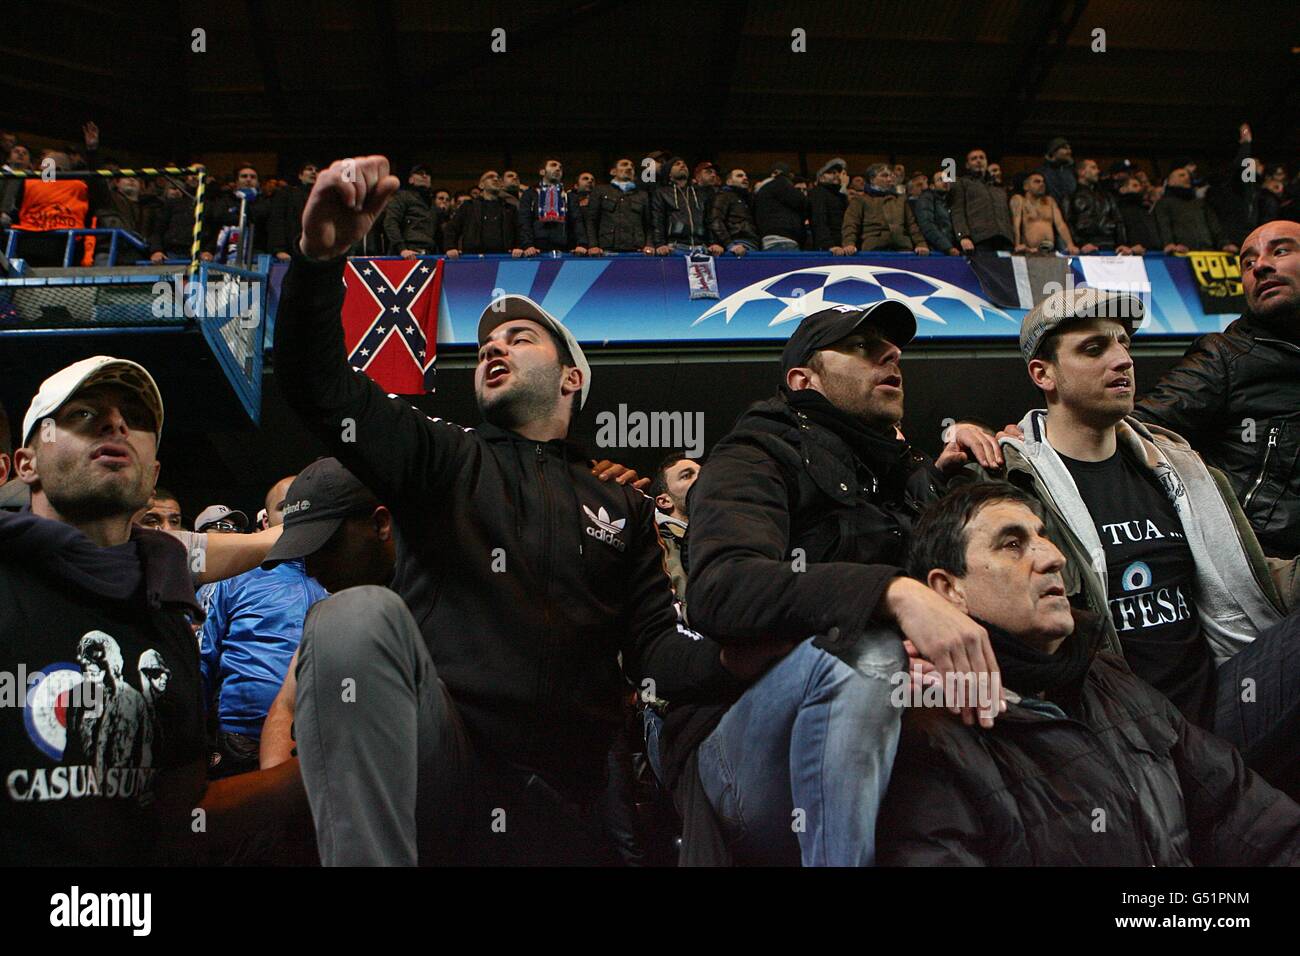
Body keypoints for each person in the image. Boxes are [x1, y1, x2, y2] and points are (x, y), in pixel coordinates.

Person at [274, 155, 742, 865]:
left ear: (571, 377)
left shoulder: (623, 504)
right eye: (488, 344)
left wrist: (755, 650)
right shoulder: (441, 458)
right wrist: (317, 262)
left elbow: (659, 656)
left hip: (574, 794)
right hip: (446, 766)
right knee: (351, 616)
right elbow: (320, 388)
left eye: (520, 338)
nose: (495, 346)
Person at [657, 301, 1005, 865]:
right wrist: (893, 593)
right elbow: (722, 589)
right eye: (863, 348)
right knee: (865, 651)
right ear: (804, 380)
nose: (891, 356)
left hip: (894, 721)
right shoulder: (751, 456)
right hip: (741, 748)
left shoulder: (902, 472)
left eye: (891, 351)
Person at [877, 481, 1300, 865]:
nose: (1054, 557)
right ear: (950, 590)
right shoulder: (931, 738)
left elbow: (1249, 818)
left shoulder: (1106, 676)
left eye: (1043, 537)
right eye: (1012, 544)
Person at [993, 286, 1300, 797]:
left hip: (1220, 706)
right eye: (1094, 349)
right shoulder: (1012, 487)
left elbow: (1248, 575)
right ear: (1043, 375)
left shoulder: (1178, 465)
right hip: (1116, 731)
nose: (1122, 360)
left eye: (1123, 344)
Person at [0, 356, 301, 864]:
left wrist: (313, 775)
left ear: (152, 472)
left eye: (135, 419)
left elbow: (179, 816)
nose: (116, 422)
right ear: (27, 462)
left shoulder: (167, 614)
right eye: (82, 414)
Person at [1135, 220, 1300, 557]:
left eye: (1280, 250)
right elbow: (1132, 430)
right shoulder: (1224, 356)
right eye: (1248, 262)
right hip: (1264, 573)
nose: (1261, 266)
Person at [199, 476, 327, 780]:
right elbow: (201, 657)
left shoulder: (342, 573)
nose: (298, 513)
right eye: (287, 506)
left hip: (322, 738)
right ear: (266, 519)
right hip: (242, 742)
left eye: (308, 506)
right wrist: (194, 740)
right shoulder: (234, 574)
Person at [650, 451, 701, 609]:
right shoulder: (656, 545)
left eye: (704, 473)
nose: (702, 479)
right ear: (665, 501)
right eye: (687, 476)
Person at [841, 164, 929, 255]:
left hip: (902, 247)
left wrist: (921, 243)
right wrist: (849, 243)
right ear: (872, 179)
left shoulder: (901, 200)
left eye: (890, 176)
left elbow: (912, 225)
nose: (889, 179)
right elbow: (851, 224)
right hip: (873, 249)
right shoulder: (860, 200)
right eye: (884, 176)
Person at [517, 158, 588, 255]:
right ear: (542, 172)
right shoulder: (531, 194)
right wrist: (527, 245)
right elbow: (524, 220)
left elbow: (577, 221)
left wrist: (582, 244)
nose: (558, 169)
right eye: (553, 165)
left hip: (564, 247)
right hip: (536, 249)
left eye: (560, 168)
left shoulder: (569, 196)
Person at [1154, 167, 1232, 254]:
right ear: (1170, 181)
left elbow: (1214, 225)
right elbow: (1163, 225)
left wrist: (1224, 243)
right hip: (1181, 253)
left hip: (1208, 252)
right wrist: (1169, 244)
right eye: (1181, 175)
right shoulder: (1164, 203)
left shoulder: (1200, 203)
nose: (1187, 177)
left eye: (1188, 175)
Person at [949, 148, 1013, 254]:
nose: (979, 160)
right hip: (979, 239)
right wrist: (963, 236)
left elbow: (1009, 214)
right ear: (967, 165)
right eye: (974, 159)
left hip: (1004, 239)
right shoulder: (962, 183)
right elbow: (957, 211)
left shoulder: (998, 187)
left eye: (982, 158)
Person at [586, 158, 653, 256]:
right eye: (624, 164)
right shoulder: (600, 191)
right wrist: (593, 245)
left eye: (632, 166)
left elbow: (649, 223)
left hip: (637, 249)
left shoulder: (642, 195)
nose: (629, 167)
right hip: (607, 248)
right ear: (613, 171)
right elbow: (591, 220)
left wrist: (649, 244)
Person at [651, 157, 717, 255]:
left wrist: (714, 243)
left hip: (701, 247)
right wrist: (659, 244)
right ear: (669, 172)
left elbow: (709, 219)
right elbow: (657, 219)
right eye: (677, 164)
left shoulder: (700, 192)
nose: (682, 165)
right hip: (675, 247)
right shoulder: (662, 192)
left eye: (684, 164)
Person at [1067, 158, 1130, 253]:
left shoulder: (1107, 196)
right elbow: (1069, 224)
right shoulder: (1070, 197)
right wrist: (1081, 244)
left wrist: (1122, 244)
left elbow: (1118, 220)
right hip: (1086, 247)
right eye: (1093, 168)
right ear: (1081, 172)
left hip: (1111, 245)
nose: (1098, 171)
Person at [1010, 171, 1078, 255]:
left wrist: (1070, 244)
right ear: (1026, 186)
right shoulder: (1020, 200)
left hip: (1049, 251)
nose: (1042, 184)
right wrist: (1017, 245)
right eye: (1037, 181)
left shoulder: (1050, 201)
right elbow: (1016, 225)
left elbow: (1060, 225)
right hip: (1029, 251)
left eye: (1043, 182)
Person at [382, 164, 441, 257]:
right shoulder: (401, 197)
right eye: (420, 173)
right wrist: (402, 249)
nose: (424, 176)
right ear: (411, 179)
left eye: (427, 174)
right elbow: (390, 222)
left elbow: (439, 232)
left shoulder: (433, 205)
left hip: (429, 253)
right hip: (407, 252)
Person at [753, 161, 808, 251]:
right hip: (783, 238)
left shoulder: (762, 191)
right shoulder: (781, 184)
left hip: (767, 238)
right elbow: (801, 201)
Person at [269, 161, 318, 260]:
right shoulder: (287, 194)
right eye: (309, 169)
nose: (314, 172)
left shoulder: (323, 197)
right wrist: (279, 250)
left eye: (316, 171)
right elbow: (278, 221)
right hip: (291, 252)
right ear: (300, 175)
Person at [709, 168, 759, 256]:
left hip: (753, 243)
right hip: (737, 243)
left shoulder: (748, 199)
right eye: (739, 176)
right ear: (729, 181)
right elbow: (716, 220)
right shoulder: (724, 196)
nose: (745, 178)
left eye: (746, 176)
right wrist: (729, 244)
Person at [809, 158, 849, 253]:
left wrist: (843, 188)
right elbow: (819, 219)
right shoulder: (818, 192)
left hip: (842, 246)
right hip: (829, 248)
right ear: (821, 177)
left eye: (837, 173)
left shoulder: (838, 195)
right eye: (831, 173)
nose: (836, 175)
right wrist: (828, 245)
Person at [914, 169, 958, 255]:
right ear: (932, 186)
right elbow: (927, 225)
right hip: (937, 250)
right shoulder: (926, 198)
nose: (945, 182)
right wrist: (947, 247)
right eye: (940, 180)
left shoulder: (952, 200)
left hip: (952, 248)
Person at [1114, 174, 1158, 253]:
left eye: (1140, 186)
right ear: (1123, 190)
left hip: (1147, 251)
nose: (1139, 188)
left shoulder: (1144, 209)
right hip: (1128, 252)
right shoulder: (1118, 209)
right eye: (1135, 186)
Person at [1035, 136, 1076, 206]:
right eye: (1065, 148)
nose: (1069, 151)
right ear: (1053, 152)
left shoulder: (1071, 171)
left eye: (1069, 149)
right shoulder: (1041, 172)